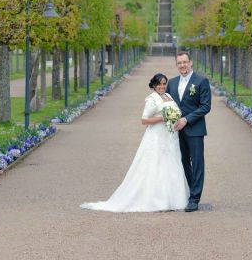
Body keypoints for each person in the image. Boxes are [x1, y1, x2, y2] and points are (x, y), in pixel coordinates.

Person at [80, 73, 189, 212]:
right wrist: (163, 118)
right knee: (155, 165)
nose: (162, 86)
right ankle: (156, 199)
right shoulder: (152, 99)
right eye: (159, 84)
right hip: (156, 137)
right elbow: (144, 120)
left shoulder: (169, 96)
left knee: (171, 165)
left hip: (170, 137)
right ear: (154, 86)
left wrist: (174, 117)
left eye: (164, 84)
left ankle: (173, 198)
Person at [166, 51, 211, 212]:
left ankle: (195, 198)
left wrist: (187, 119)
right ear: (176, 65)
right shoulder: (171, 83)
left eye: (185, 62)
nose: (182, 65)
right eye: (179, 63)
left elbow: (206, 106)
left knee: (197, 163)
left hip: (195, 129)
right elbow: (167, 105)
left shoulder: (201, 81)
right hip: (177, 131)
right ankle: (190, 191)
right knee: (183, 162)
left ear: (190, 62)